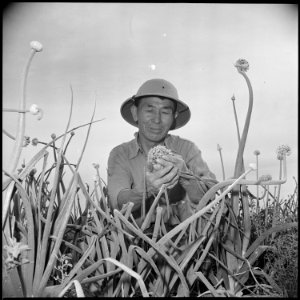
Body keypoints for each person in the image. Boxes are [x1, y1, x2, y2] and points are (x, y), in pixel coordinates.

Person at [107, 78, 218, 227]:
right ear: (135, 113)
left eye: (165, 111)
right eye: (150, 110)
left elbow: (210, 198)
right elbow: (119, 202)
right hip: (137, 242)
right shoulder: (120, 154)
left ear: (174, 117)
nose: (157, 120)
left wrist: (185, 177)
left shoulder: (187, 149)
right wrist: (146, 189)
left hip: (184, 242)